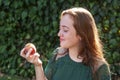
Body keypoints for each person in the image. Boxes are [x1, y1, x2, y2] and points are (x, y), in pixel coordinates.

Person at [20, 7, 111, 80]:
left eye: (65, 30)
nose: (59, 34)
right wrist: (37, 64)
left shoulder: (99, 67)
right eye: (60, 29)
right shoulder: (58, 55)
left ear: (81, 34)